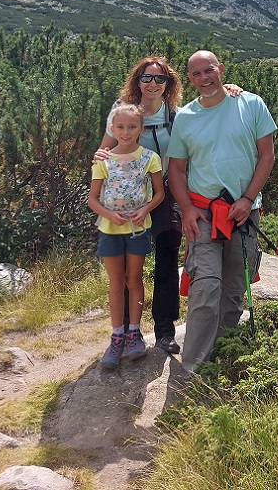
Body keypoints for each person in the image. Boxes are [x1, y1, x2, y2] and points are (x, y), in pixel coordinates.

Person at [93, 56, 242, 355]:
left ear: (169, 84)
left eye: (160, 79)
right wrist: (98, 162)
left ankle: (164, 330)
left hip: (166, 194)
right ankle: (124, 331)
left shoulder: (177, 115)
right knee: (124, 267)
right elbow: (104, 150)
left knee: (166, 259)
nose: (152, 84)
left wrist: (228, 89)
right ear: (137, 81)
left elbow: (210, 104)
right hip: (128, 199)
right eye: (146, 78)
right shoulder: (122, 111)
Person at [167, 50, 277, 372]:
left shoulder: (251, 104)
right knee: (205, 285)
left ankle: (223, 354)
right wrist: (186, 209)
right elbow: (175, 169)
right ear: (190, 79)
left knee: (232, 288)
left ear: (221, 70)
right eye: (197, 73)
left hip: (244, 213)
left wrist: (247, 199)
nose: (205, 78)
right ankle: (193, 369)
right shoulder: (186, 118)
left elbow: (266, 156)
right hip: (202, 213)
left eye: (209, 70)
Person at [88, 103, 164, 369]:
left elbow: (159, 194)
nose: (126, 131)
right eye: (120, 127)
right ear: (112, 128)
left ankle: (134, 333)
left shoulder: (149, 158)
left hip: (138, 229)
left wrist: (145, 209)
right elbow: (92, 199)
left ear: (141, 129)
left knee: (134, 279)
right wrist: (108, 215)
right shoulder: (103, 160)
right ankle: (116, 336)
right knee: (116, 283)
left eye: (132, 126)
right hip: (110, 231)